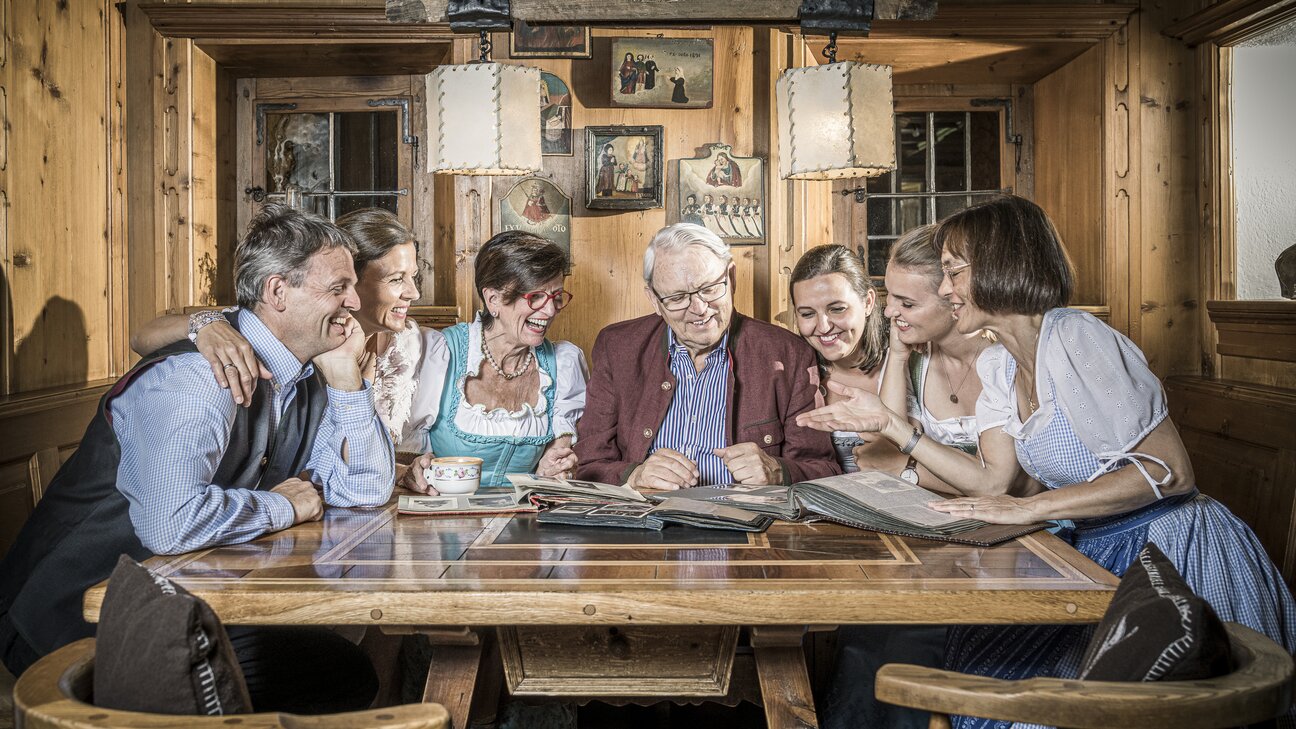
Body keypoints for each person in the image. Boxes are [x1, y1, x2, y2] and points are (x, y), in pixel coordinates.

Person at [798, 195, 1296, 729]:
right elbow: (1000, 481)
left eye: (954, 273)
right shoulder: (1005, 365)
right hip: (1090, 550)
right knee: (978, 670)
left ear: (1000, 268)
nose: (945, 289)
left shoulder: (1075, 336)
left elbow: (1169, 472)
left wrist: (1025, 510)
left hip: (1169, 553)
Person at [0, 204, 394, 712]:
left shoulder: (308, 375)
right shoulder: (196, 379)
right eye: (338, 287)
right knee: (334, 672)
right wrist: (285, 507)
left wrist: (347, 380)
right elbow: (171, 523)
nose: (354, 300)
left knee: (337, 660)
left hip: (174, 603)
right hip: (69, 620)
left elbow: (363, 491)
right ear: (277, 292)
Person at [575, 223, 839, 490]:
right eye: (678, 297)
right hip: (647, 521)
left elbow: (823, 469)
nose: (700, 309)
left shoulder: (789, 354)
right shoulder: (618, 346)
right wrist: (635, 475)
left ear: (731, 278)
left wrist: (779, 472)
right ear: (654, 301)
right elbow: (589, 464)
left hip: (743, 523)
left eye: (710, 288)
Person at [129, 208, 424, 443]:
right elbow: (141, 338)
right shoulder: (275, 335)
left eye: (413, 276)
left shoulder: (404, 344)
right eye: (396, 278)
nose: (414, 293)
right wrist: (205, 323)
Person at [399, 231, 587, 492]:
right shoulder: (440, 353)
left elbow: (558, 459)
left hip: (526, 524)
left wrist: (552, 469)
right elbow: (401, 454)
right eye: (535, 298)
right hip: (445, 522)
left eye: (556, 297)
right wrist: (412, 469)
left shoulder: (563, 364)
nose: (550, 310)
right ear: (493, 299)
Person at [788, 244, 889, 474]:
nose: (823, 327)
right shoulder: (793, 372)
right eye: (807, 314)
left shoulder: (905, 360)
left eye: (837, 309)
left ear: (868, 302)